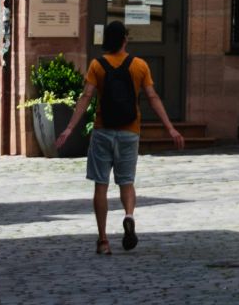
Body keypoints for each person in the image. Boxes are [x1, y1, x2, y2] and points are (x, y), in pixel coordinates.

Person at [56, 21, 184, 254]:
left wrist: (69, 128)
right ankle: (128, 215)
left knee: (101, 185)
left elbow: (86, 97)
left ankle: (103, 240)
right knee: (127, 182)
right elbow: (153, 97)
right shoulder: (139, 66)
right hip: (129, 131)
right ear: (125, 39)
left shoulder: (97, 65)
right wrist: (170, 128)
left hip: (103, 130)